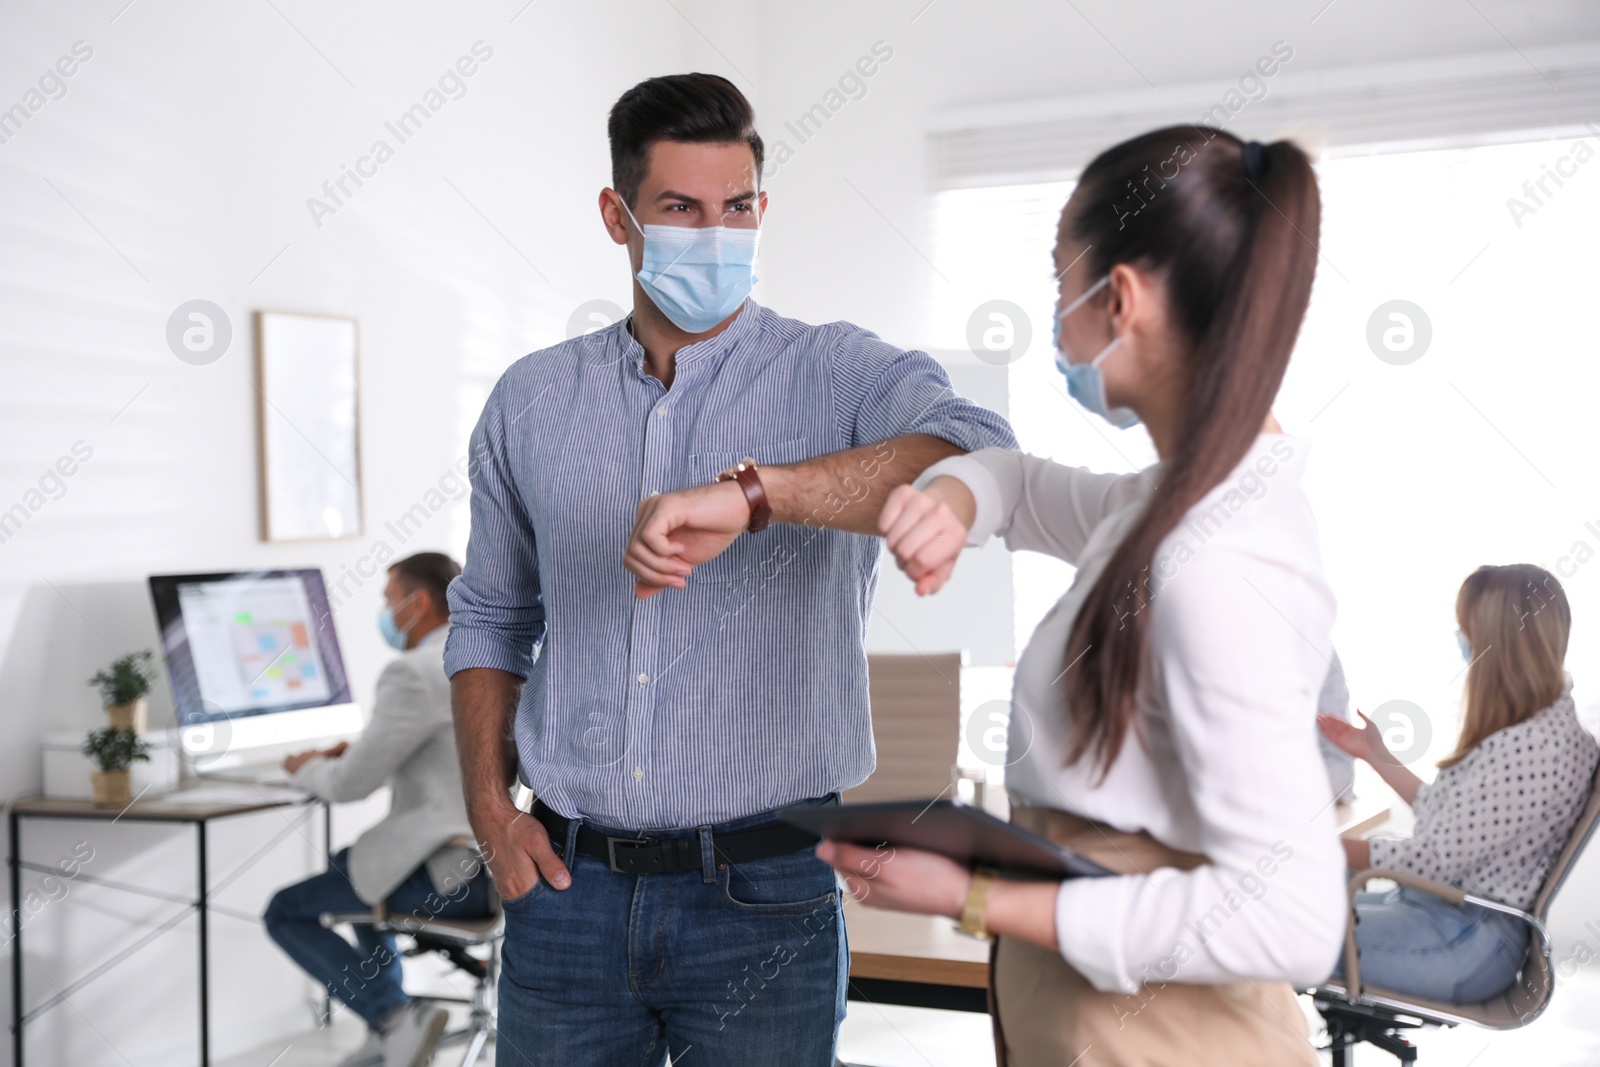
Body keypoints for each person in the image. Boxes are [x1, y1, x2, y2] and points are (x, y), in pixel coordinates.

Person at [444, 73, 1015, 1066]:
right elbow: (491, 614)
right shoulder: (530, 400)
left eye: (737, 208)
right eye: (680, 210)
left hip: (766, 887)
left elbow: (975, 452)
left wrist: (758, 495)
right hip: (566, 885)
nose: (716, 236)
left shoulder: (835, 371)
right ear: (617, 217)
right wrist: (492, 813)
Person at [817, 128, 1348, 1066]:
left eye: (1062, 288)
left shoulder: (1215, 556)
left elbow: (1294, 911)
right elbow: (1018, 484)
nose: (1058, 325)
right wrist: (954, 498)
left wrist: (971, 895)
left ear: (1123, 299)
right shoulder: (1174, 498)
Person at [1318, 564, 1599, 1003]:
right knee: (1290, 912)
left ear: (1499, 644)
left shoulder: (1534, 747)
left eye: (1466, 629)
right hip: (1447, 917)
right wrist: (1376, 755)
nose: (1460, 639)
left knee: (1282, 928)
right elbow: (1452, 826)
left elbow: (1432, 859)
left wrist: (1314, 845)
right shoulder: (1539, 726)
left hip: (1465, 941)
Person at [265, 552, 493, 1067]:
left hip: (449, 879)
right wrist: (366, 748)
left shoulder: (413, 672)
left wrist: (302, 766)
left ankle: (393, 1015)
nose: (385, 614)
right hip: (494, 869)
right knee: (351, 866)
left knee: (285, 911)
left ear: (419, 603)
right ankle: (387, 1030)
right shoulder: (485, 657)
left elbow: (348, 786)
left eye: (389, 601)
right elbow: (451, 752)